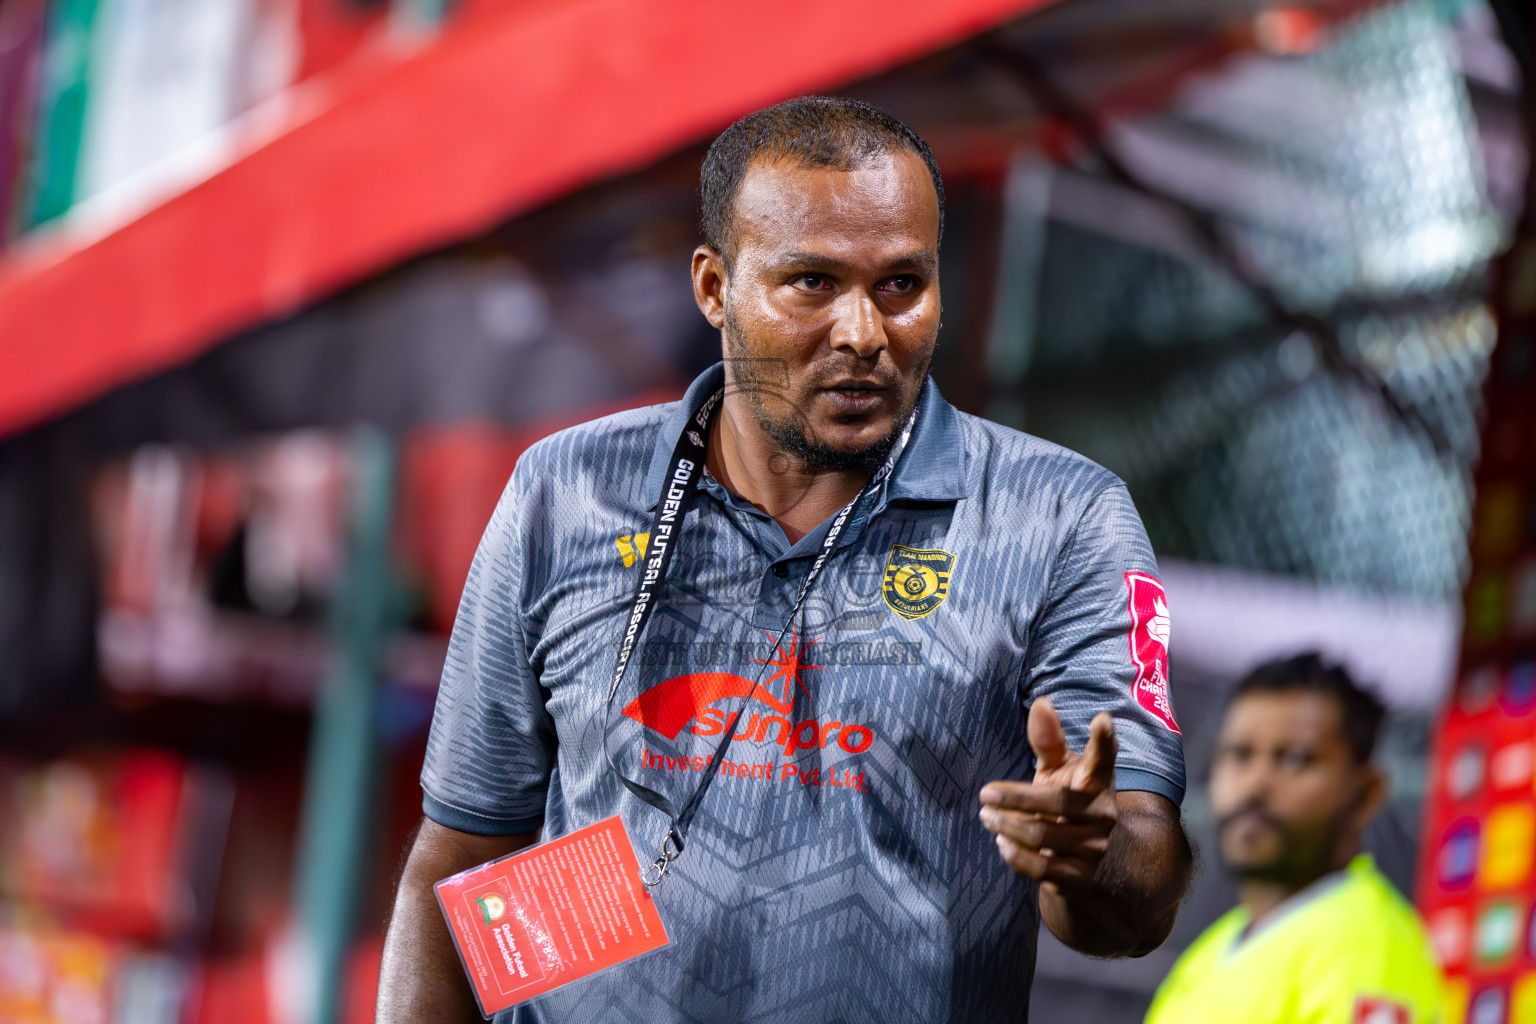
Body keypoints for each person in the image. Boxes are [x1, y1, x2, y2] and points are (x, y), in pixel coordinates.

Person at [377, 95, 1192, 1024]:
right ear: (714, 288)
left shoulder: (1061, 519)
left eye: (900, 286)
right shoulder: (566, 493)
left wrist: (1087, 857)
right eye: (811, 283)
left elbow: (1140, 876)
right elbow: (463, 857)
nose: (861, 333)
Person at [1145, 653, 1443, 1024]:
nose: (1255, 785)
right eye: (1240, 755)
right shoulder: (1212, 951)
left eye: (1295, 759)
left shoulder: (1366, 947)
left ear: (1366, 793)